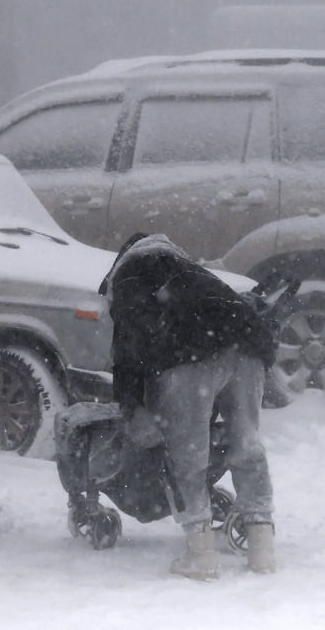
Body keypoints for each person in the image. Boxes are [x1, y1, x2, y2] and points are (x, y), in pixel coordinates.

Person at [99, 232, 277, 579]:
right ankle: (262, 548)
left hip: (189, 357)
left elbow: (127, 349)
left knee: (188, 456)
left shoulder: (131, 274)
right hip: (248, 346)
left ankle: (201, 555)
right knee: (247, 445)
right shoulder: (189, 271)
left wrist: (132, 405)